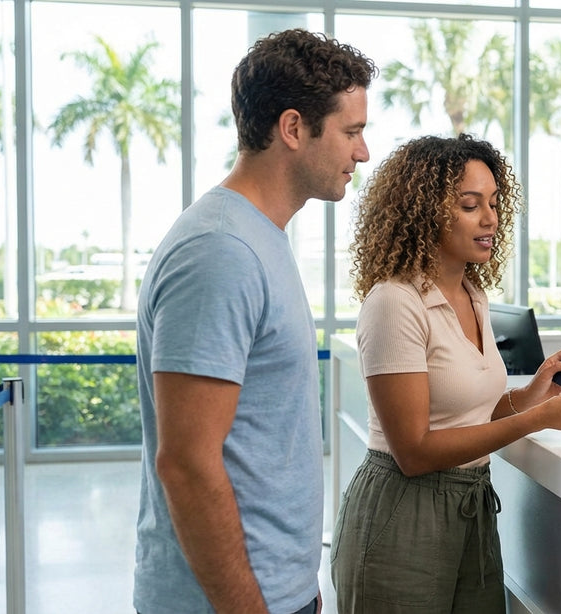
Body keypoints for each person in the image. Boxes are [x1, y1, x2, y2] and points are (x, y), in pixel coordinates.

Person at [133, 29, 376, 614]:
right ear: (293, 129)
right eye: (352, 132)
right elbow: (187, 464)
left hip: (275, 588)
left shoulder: (257, 237)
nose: (363, 153)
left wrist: (297, 578)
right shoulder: (221, 251)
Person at [330, 134, 561, 613]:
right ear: (425, 212)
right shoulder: (395, 301)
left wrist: (534, 392)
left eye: (494, 203)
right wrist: (536, 421)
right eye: (469, 204)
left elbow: (471, 416)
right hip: (402, 512)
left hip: (472, 508)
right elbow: (414, 451)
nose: (490, 219)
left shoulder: (474, 295)